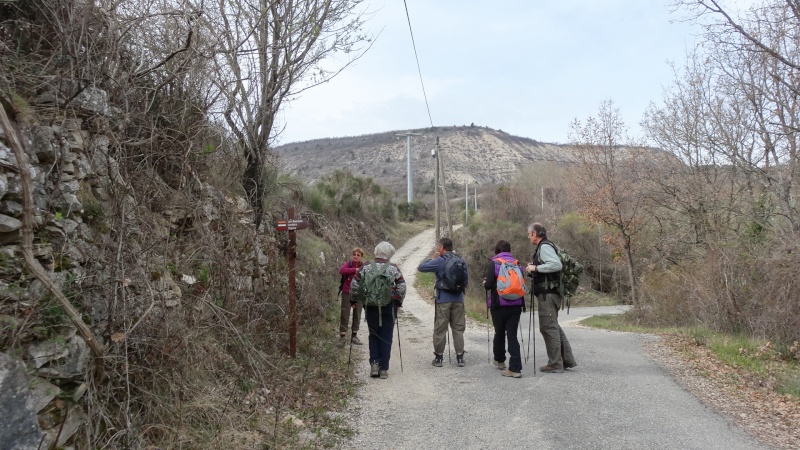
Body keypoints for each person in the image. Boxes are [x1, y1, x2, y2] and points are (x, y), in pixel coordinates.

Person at [525, 222, 577, 373]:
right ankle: (566, 360)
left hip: (548, 295)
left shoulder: (545, 247)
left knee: (548, 327)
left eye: (529, 234)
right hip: (550, 293)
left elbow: (556, 265)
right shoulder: (546, 246)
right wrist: (534, 268)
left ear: (534, 233)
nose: (528, 237)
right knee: (553, 326)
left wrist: (535, 268)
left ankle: (555, 364)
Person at [350, 241, 406, 379]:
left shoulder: (366, 266)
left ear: (377, 252)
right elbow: (402, 286)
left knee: (373, 334)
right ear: (389, 254)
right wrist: (398, 302)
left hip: (371, 306)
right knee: (386, 336)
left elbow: (354, 284)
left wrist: (353, 300)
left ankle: (374, 364)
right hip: (389, 306)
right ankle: (384, 369)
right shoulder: (393, 268)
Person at [417, 237, 468, 367]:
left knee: (440, 328)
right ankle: (460, 357)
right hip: (459, 299)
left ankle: (439, 358)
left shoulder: (439, 261)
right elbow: (466, 280)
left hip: (444, 299)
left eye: (437, 247)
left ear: (441, 248)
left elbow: (421, 267)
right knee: (458, 328)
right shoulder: (460, 260)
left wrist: (433, 259)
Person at [483, 240, 524, 378]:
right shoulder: (517, 264)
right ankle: (515, 368)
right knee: (512, 335)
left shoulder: (494, 263)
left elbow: (488, 285)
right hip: (516, 304)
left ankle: (500, 361)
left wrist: (485, 283)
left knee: (499, 332)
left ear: (496, 251)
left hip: (498, 304)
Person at [339, 247, 364, 345]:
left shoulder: (364, 266)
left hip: (359, 294)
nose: (356, 256)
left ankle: (354, 336)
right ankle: (342, 337)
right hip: (347, 292)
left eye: (358, 255)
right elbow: (341, 270)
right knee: (345, 314)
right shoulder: (349, 264)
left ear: (361, 257)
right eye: (354, 254)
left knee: (357, 314)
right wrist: (354, 270)